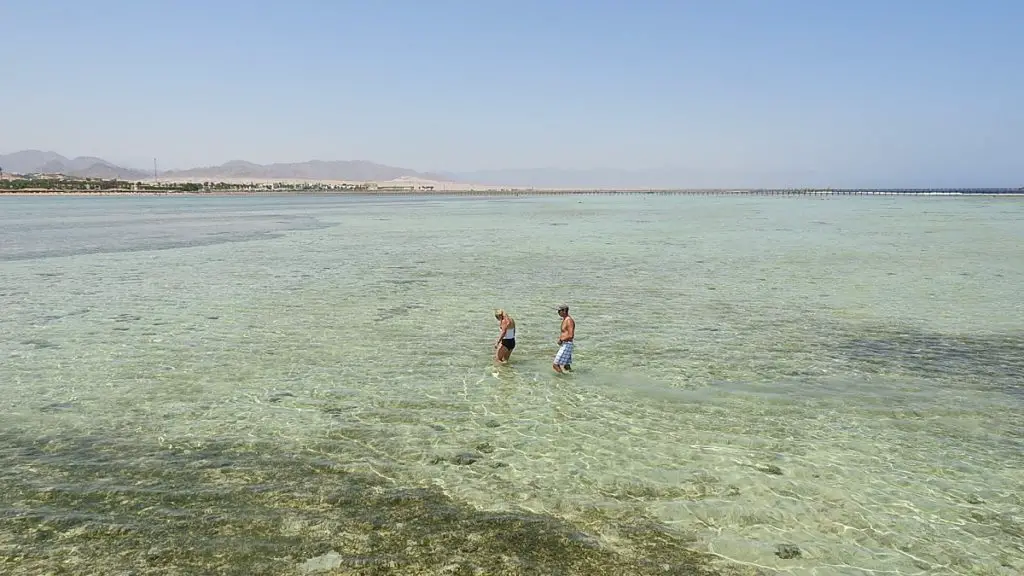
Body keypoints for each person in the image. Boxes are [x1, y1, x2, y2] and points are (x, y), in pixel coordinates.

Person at [553, 304, 575, 373]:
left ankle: (562, 379)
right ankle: (572, 379)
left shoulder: (569, 320)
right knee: (566, 365)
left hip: (567, 344)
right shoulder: (565, 319)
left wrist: (561, 340)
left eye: (559, 311)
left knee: (555, 365)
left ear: (564, 311)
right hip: (566, 344)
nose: (558, 312)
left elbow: (571, 335)